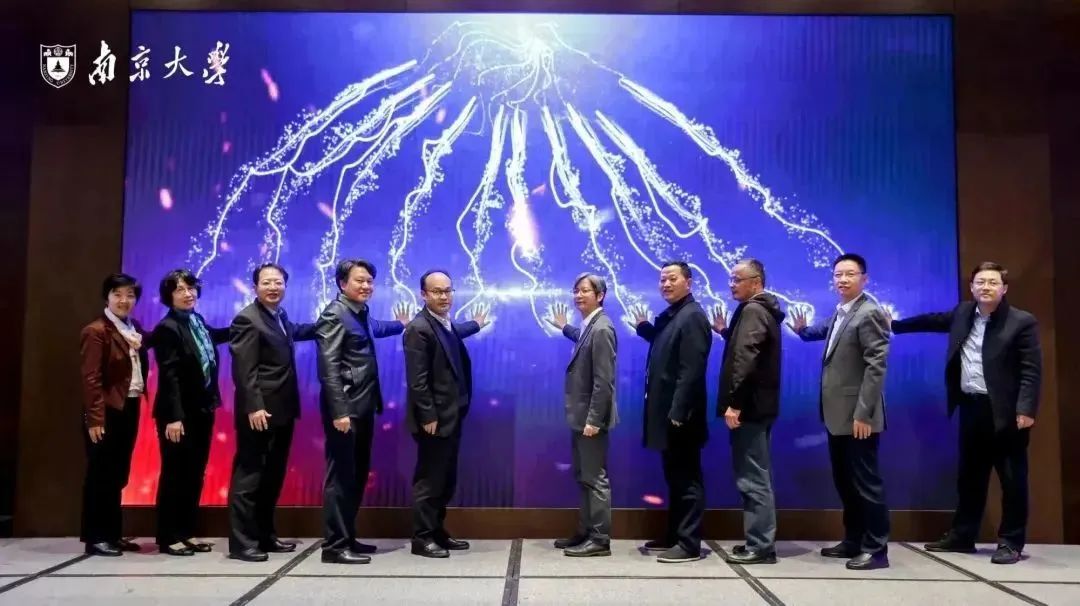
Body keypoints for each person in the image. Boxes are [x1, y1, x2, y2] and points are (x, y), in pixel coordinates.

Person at [892, 261, 1041, 565]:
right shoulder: (963, 313)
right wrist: (894, 325)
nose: (986, 287)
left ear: (1004, 288)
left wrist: (1026, 408)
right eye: (980, 282)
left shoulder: (1021, 321)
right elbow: (933, 321)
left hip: (1006, 413)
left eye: (992, 282)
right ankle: (963, 536)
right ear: (972, 287)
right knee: (970, 477)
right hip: (971, 407)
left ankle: (1011, 542)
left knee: (1012, 480)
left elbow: (1031, 371)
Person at [790, 253, 891, 570]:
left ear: (864, 278)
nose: (843, 280)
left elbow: (876, 366)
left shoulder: (869, 313)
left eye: (850, 274)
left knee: (865, 483)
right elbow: (823, 332)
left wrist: (864, 413)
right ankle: (854, 540)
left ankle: (876, 549)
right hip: (837, 415)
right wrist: (802, 331)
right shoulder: (842, 311)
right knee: (846, 481)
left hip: (859, 416)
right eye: (838, 274)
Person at [316, 259, 409, 565]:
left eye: (369, 280)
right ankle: (334, 545)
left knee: (355, 475)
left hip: (363, 405)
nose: (366, 285)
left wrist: (401, 324)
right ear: (342, 283)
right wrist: (339, 411)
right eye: (359, 280)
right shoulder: (334, 314)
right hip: (346, 409)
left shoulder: (359, 312)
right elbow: (328, 367)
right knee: (341, 478)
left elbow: (375, 329)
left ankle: (347, 537)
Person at [227, 263, 317, 562]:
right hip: (259, 411)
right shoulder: (247, 319)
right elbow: (244, 370)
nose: (273, 287)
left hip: (282, 409)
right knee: (249, 477)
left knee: (272, 476)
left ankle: (264, 535)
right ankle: (242, 543)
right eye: (266, 282)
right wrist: (254, 406)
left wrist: (327, 322)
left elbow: (296, 332)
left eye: (278, 282)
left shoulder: (279, 316)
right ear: (255, 287)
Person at [403, 270, 486, 558]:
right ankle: (422, 538)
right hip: (434, 419)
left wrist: (475, 324)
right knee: (430, 479)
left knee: (445, 478)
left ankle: (437, 531)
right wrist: (428, 415)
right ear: (423, 294)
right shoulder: (418, 328)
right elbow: (417, 380)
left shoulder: (443, 323)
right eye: (437, 291)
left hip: (452, 414)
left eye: (448, 291)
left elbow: (452, 337)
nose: (444, 297)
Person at [633, 261, 712, 563]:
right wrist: (645, 329)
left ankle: (689, 543)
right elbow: (667, 348)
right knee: (675, 477)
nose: (666, 284)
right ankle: (675, 535)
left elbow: (691, 369)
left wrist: (679, 411)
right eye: (663, 279)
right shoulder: (675, 316)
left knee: (687, 479)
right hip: (669, 415)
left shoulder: (693, 316)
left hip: (682, 417)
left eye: (672, 279)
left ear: (688, 282)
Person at [710, 260, 784, 565]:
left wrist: (735, 403)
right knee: (755, 474)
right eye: (731, 279)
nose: (732, 284)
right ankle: (759, 540)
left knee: (753, 478)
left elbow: (747, 358)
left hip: (749, 409)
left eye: (737, 279)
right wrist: (726, 332)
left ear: (756, 282)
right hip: (759, 407)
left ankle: (761, 545)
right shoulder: (763, 310)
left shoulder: (753, 310)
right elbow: (750, 348)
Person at [151, 269, 229, 556]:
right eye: (180, 289)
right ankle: (168, 536)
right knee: (175, 474)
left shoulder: (196, 321)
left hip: (202, 409)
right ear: (169, 296)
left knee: (194, 473)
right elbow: (169, 376)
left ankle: (185, 531)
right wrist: (174, 417)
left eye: (191, 288)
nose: (188, 294)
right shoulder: (167, 328)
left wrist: (244, 325)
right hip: (178, 415)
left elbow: (214, 337)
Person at [547, 273, 618, 557]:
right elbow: (582, 339)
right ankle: (585, 531)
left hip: (591, 420)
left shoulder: (602, 328)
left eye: (585, 291)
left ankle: (599, 539)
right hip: (581, 418)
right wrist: (565, 327)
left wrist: (594, 420)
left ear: (600, 296)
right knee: (584, 476)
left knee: (595, 478)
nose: (578, 295)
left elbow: (604, 381)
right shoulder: (591, 326)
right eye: (576, 290)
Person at [79, 273, 149, 557]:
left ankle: (112, 534)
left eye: (130, 295)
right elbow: (91, 379)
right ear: (106, 297)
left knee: (118, 474)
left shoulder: (133, 328)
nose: (124, 300)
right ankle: (96, 537)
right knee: (100, 474)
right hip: (106, 411)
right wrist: (95, 418)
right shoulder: (96, 331)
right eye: (117, 294)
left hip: (128, 406)